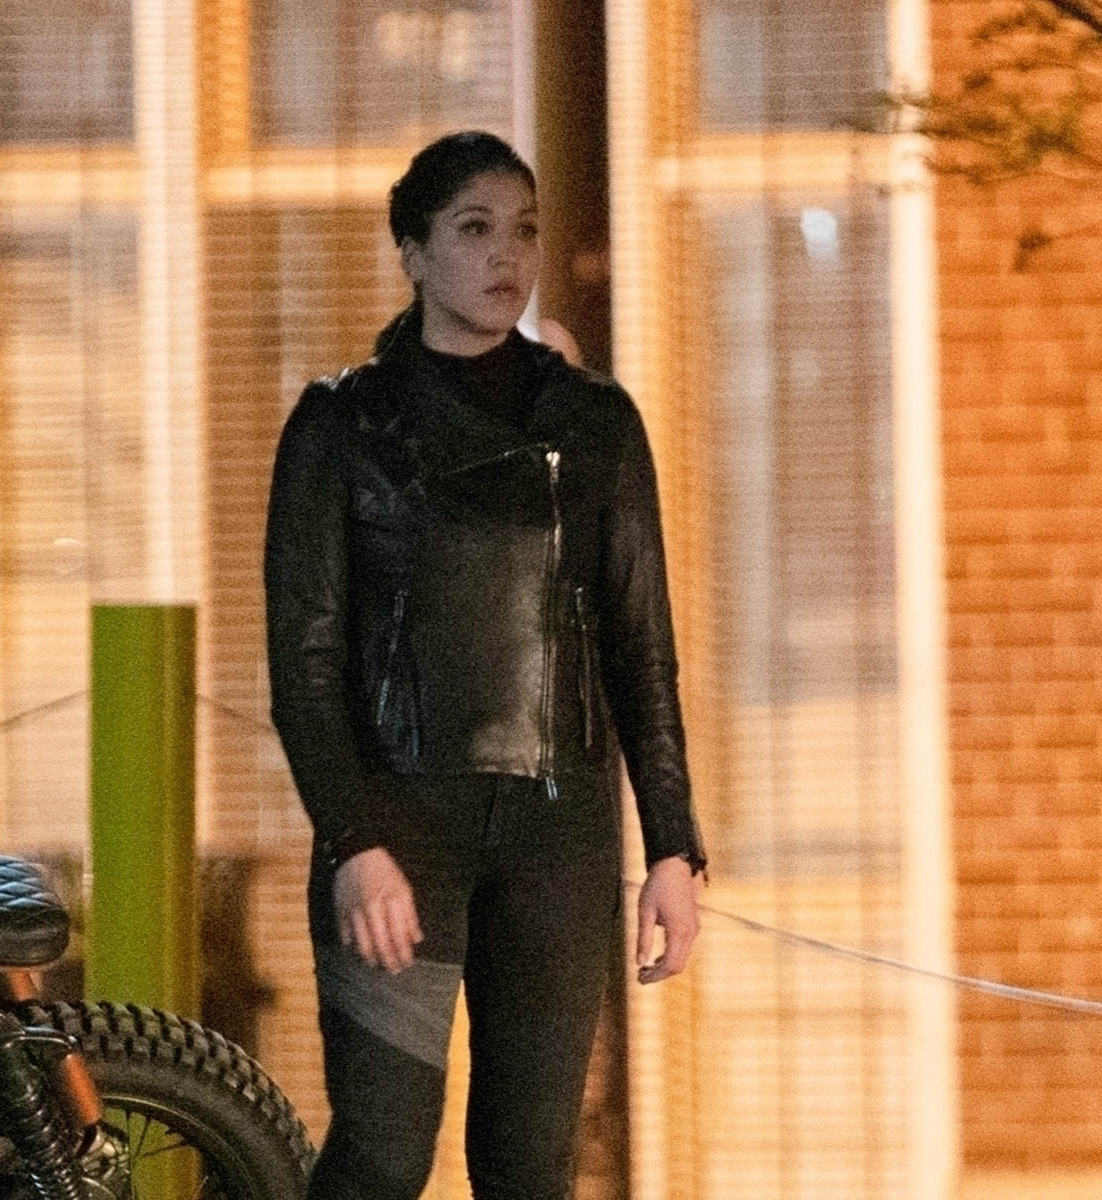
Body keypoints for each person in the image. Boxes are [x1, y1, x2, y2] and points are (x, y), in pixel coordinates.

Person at [265, 130, 706, 1200]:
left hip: (557, 841)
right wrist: (353, 841)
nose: (505, 254)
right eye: (473, 228)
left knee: (530, 1166)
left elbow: (640, 647)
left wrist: (673, 847)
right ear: (413, 253)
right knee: (382, 1157)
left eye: (523, 229)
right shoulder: (342, 423)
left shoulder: (596, 422)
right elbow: (305, 662)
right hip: (398, 834)